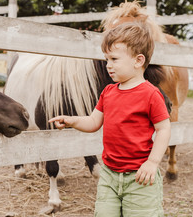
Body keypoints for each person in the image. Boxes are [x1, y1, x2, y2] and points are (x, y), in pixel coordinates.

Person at [48, 21, 171, 217]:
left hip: (140, 177)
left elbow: (164, 129)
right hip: (110, 175)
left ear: (138, 61)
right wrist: (72, 121)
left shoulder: (150, 94)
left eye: (114, 59)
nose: (108, 66)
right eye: (106, 59)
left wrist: (153, 162)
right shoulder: (108, 92)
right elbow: (93, 122)